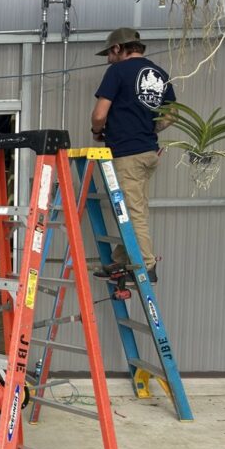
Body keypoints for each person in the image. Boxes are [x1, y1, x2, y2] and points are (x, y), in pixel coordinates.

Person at [90, 27, 175, 283]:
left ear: (118, 48)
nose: (108, 59)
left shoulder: (117, 71)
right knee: (133, 208)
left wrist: (97, 131)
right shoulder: (159, 73)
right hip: (148, 152)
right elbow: (172, 114)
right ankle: (121, 260)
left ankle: (146, 266)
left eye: (109, 53)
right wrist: (149, 128)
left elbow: (99, 114)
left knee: (133, 211)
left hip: (127, 154)